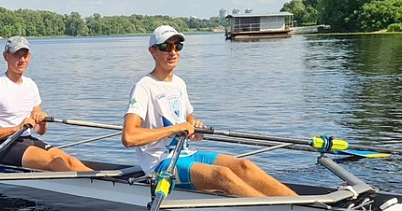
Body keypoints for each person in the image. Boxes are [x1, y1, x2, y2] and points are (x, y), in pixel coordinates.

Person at [122, 25, 297, 197]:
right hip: (161, 164)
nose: (173, 52)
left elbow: (189, 121)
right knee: (222, 175)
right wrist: (174, 128)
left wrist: (196, 129)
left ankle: (302, 205)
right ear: (153, 51)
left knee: (245, 166)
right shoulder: (143, 87)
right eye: (166, 47)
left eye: (177, 46)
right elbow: (129, 137)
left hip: (187, 154)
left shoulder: (179, 84)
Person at [0, 36, 92, 171]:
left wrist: (42, 122)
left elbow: (40, 131)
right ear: (6, 56)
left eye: (25, 55)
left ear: (29, 56)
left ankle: (104, 186)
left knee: (71, 161)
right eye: (16, 55)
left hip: (28, 140)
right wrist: (16, 129)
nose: (22, 60)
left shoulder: (31, 85)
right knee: (55, 162)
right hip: (4, 146)